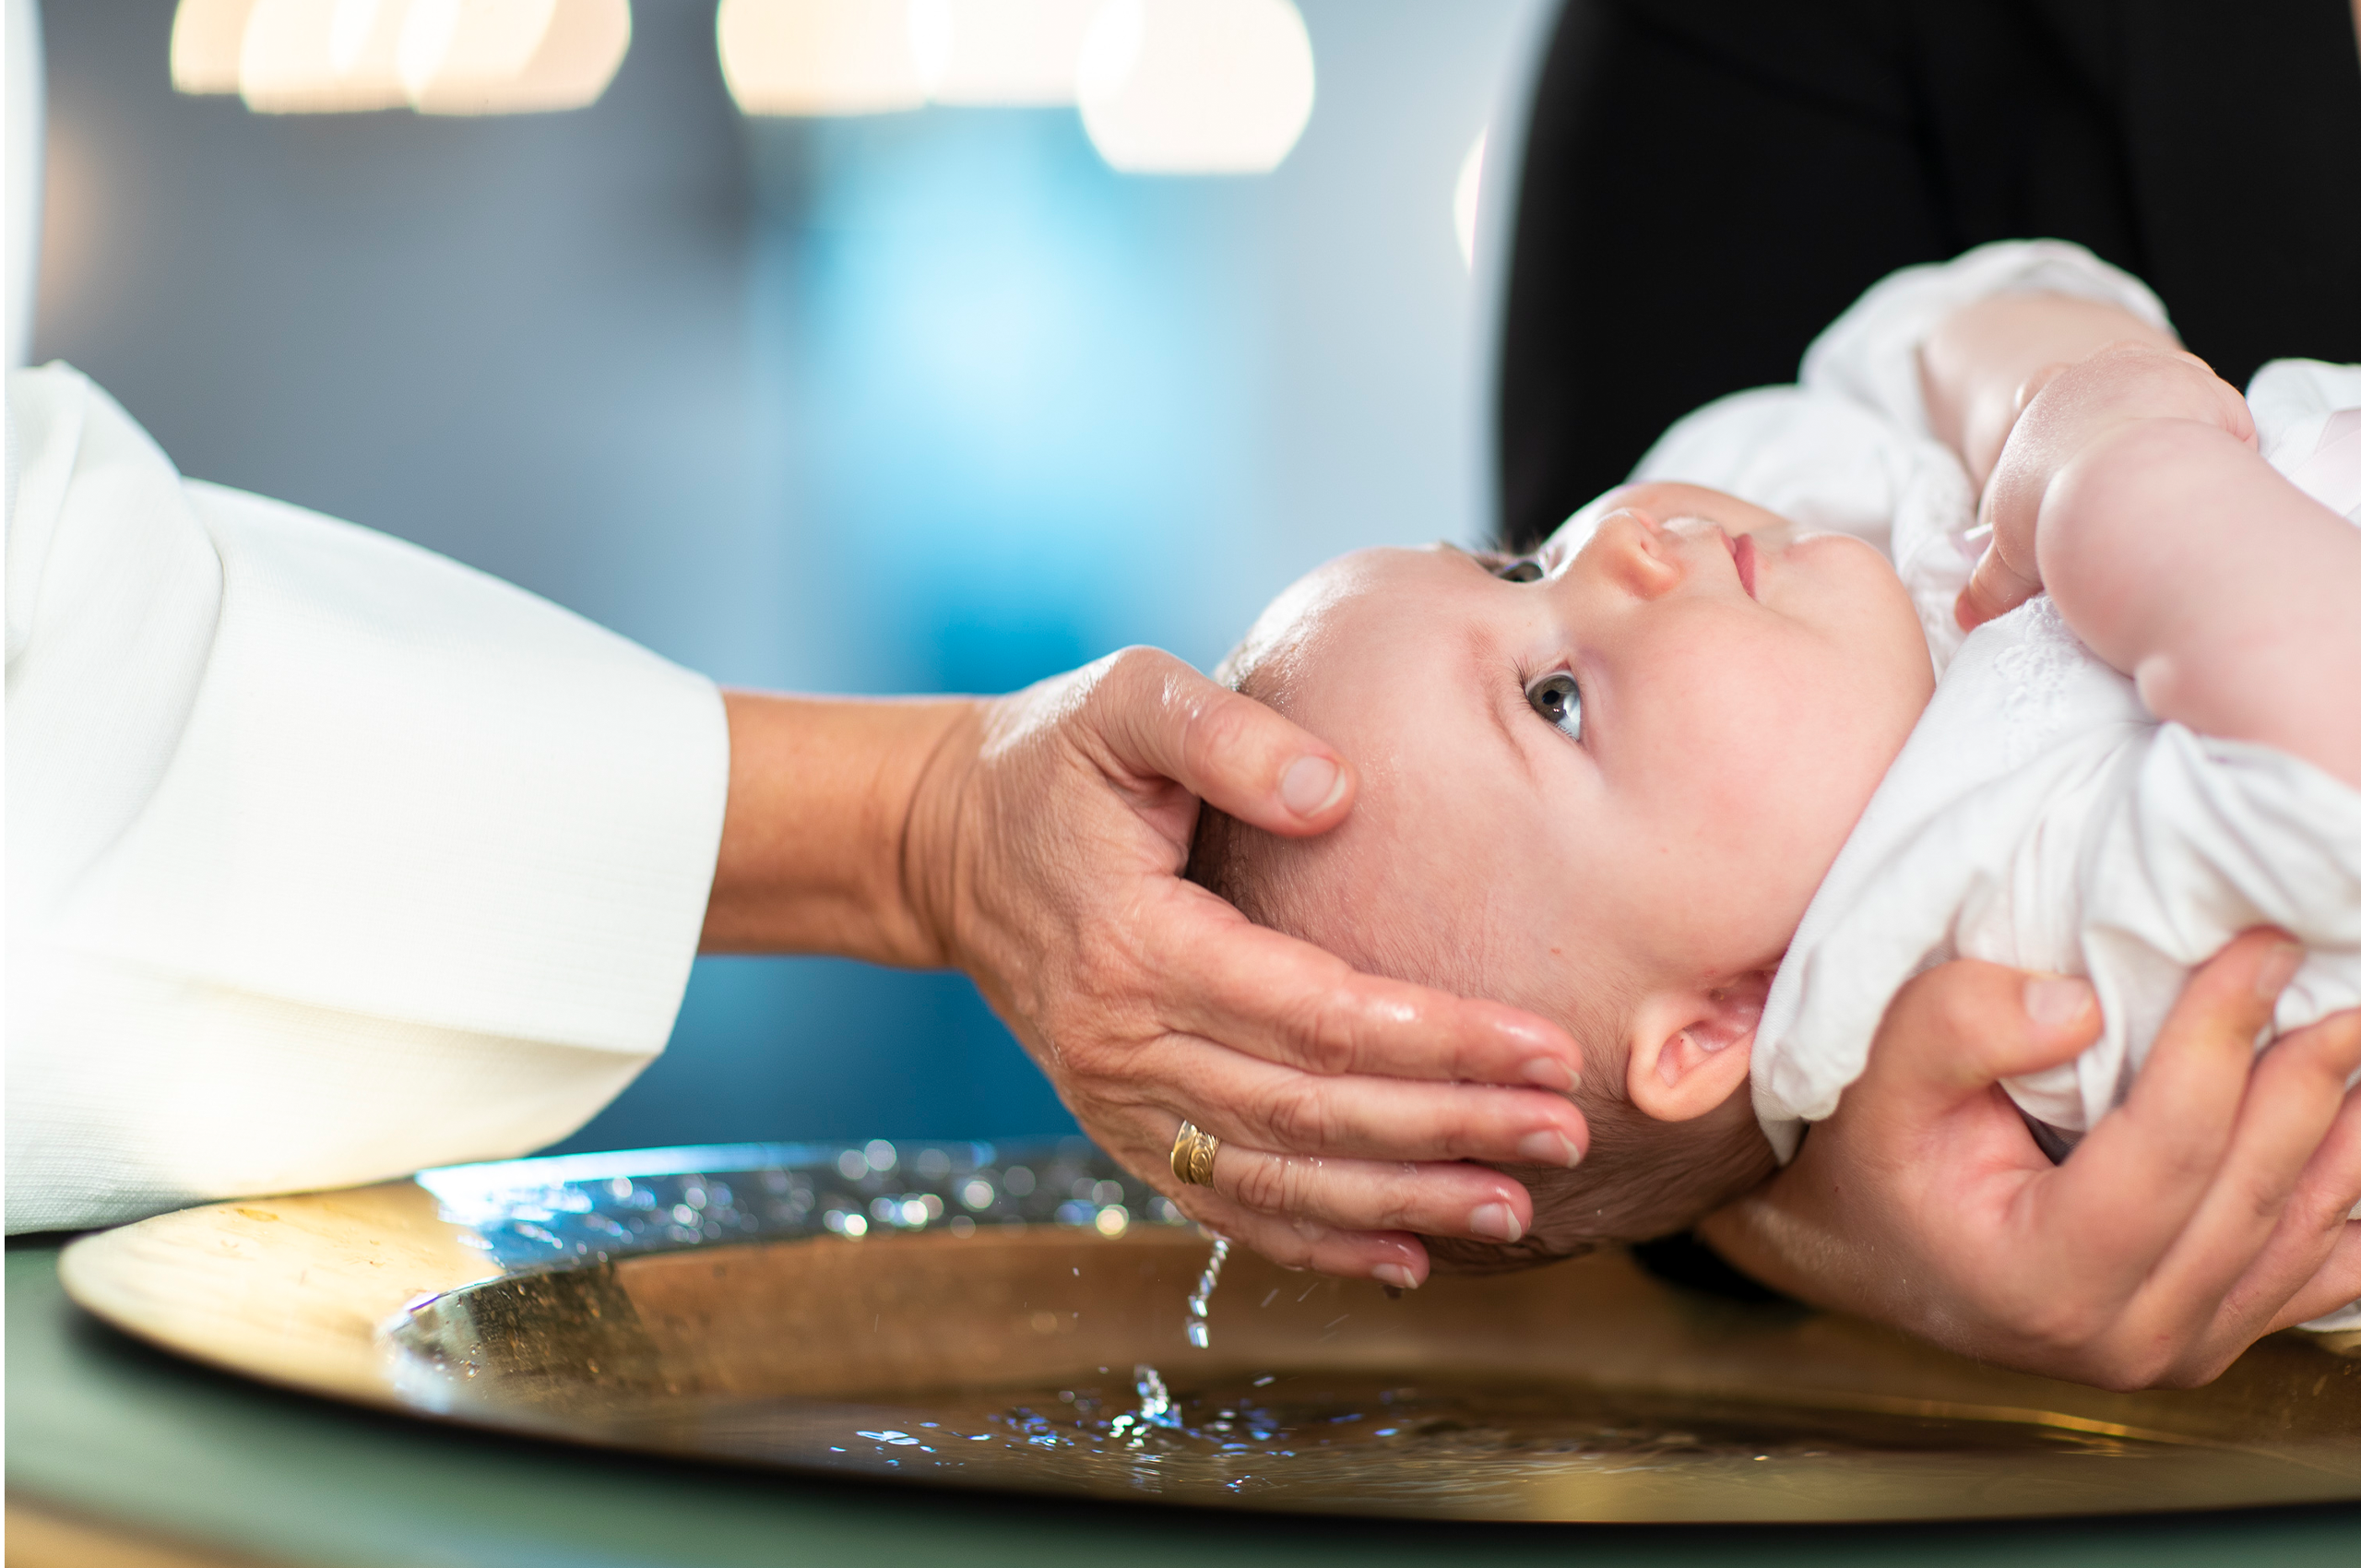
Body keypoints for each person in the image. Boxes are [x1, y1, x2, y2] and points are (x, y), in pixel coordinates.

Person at [1185, 244, 2361, 1333]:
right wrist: (2110, 470)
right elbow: (2327, 759)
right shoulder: (2031, 941)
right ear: (1717, 1022)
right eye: (1555, 699)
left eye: (1516, 558)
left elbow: (1930, 325)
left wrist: (2045, 396)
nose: (1614, 547)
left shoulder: (1805, 555)